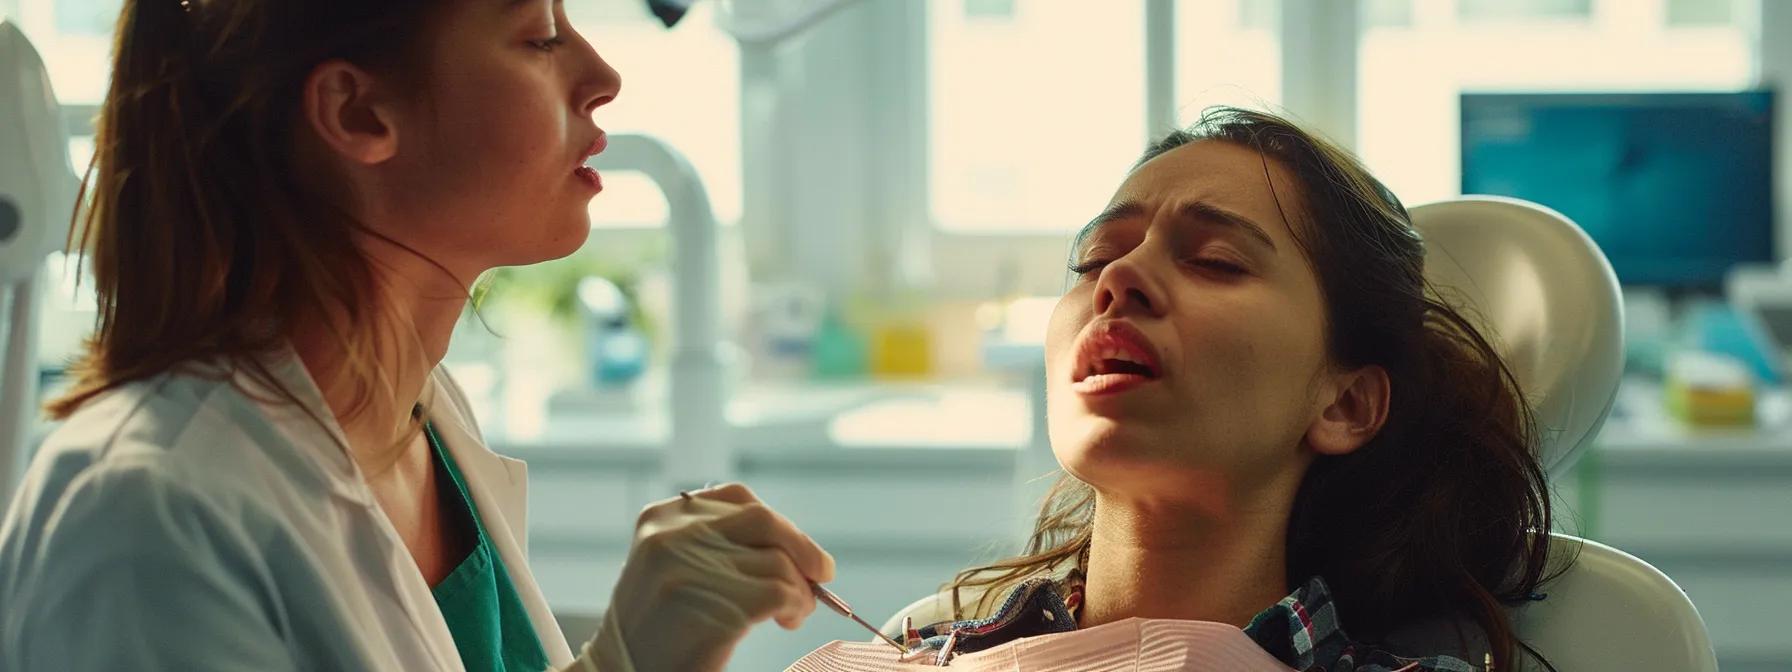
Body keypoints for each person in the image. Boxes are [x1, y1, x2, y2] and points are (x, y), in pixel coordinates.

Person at [0, 1, 831, 670]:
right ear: (358, 111)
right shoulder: (145, 515)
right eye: (540, 36)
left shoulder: (418, 415)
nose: (603, 76)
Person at [882, 108, 1561, 671]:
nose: (1120, 279)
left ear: (1344, 404)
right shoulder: (917, 651)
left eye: (1215, 262)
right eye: (1095, 260)